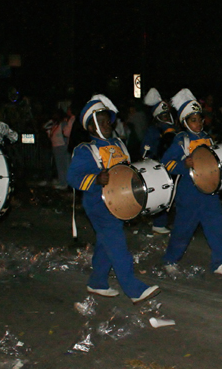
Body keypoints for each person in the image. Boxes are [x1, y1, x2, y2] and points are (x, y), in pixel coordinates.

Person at [67, 95, 159, 303]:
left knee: (105, 243)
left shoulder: (118, 144)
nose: (106, 124)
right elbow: (72, 178)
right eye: (100, 121)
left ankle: (97, 282)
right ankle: (134, 289)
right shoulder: (85, 150)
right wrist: (96, 179)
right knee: (117, 244)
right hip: (97, 205)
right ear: (91, 128)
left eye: (107, 119)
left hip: (118, 203)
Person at [159, 88, 222, 277]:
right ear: (185, 122)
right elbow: (165, 164)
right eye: (193, 120)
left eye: (200, 119)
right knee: (183, 230)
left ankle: (219, 262)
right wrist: (182, 164)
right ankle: (170, 259)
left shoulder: (208, 139)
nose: (198, 123)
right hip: (189, 193)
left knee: (217, 228)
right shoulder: (181, 140)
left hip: (209, 192)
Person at [141, 88, 178, 234]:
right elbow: (146, 151)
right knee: (163, 195)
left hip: (172, 166)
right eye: (163, 115)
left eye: (167, 114)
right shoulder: (153, 131)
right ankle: (158, 223)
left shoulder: (172, 128)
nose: (166, 117)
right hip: (159, 168)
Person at [45, 108, 71, 189]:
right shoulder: (54, 125)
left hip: (62, 146)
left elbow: (66, 135)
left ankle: (65, 183)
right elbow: (45, 127)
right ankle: (62, 181)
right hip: (56, 147)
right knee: (59, 166)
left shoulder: (63, 123)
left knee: (64, 166)